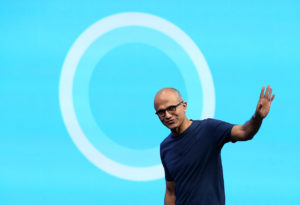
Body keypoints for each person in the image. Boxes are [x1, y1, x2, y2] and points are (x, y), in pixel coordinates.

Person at [154, 86, 275, 205]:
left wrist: (257, 117)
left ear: (184, 106)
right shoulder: (165, 147)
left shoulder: (209, 129)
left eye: (171, 108)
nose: (168, 115)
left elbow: (244, 132)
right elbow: (171, 192)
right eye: (161, 112)